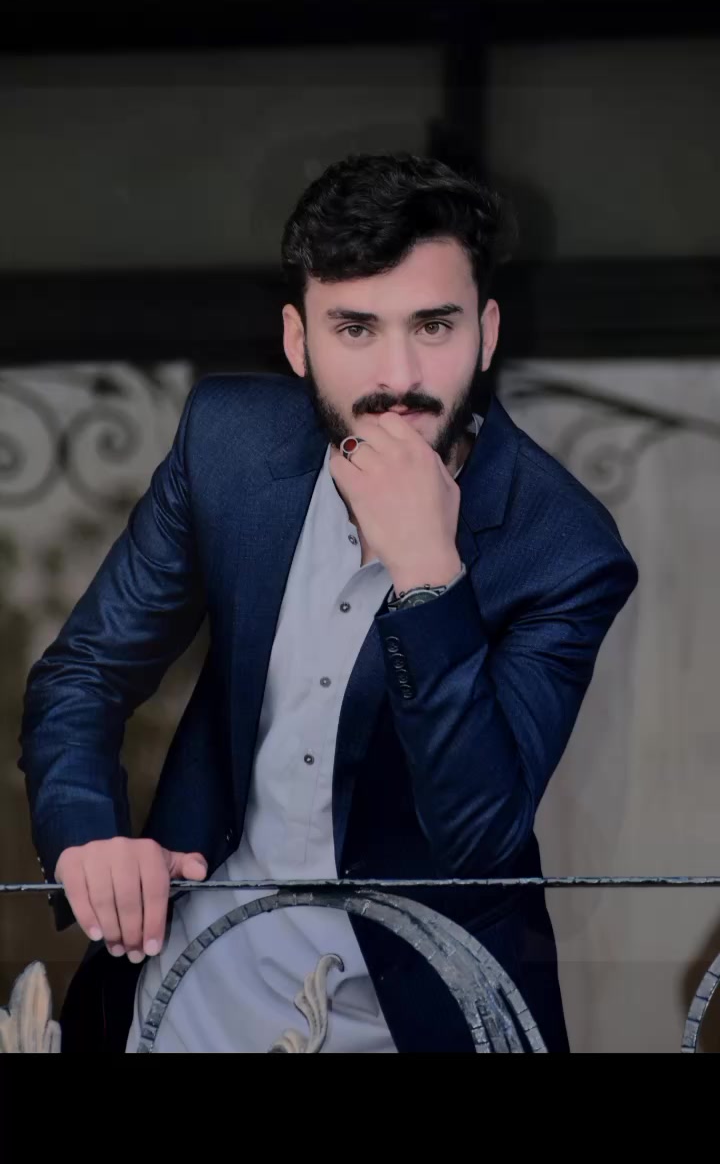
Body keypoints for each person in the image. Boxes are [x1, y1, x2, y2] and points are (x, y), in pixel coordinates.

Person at [19, 152, 638, 1053]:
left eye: (434, 325)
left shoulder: (564, 550)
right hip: (189, 991)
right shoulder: (227, 444)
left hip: (421, 1017)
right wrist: (88, 837)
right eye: (355, 328)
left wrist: (429, 576)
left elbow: (478, 837)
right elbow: (84, 674)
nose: (399, 374)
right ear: (297, 340)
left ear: (486, 331)